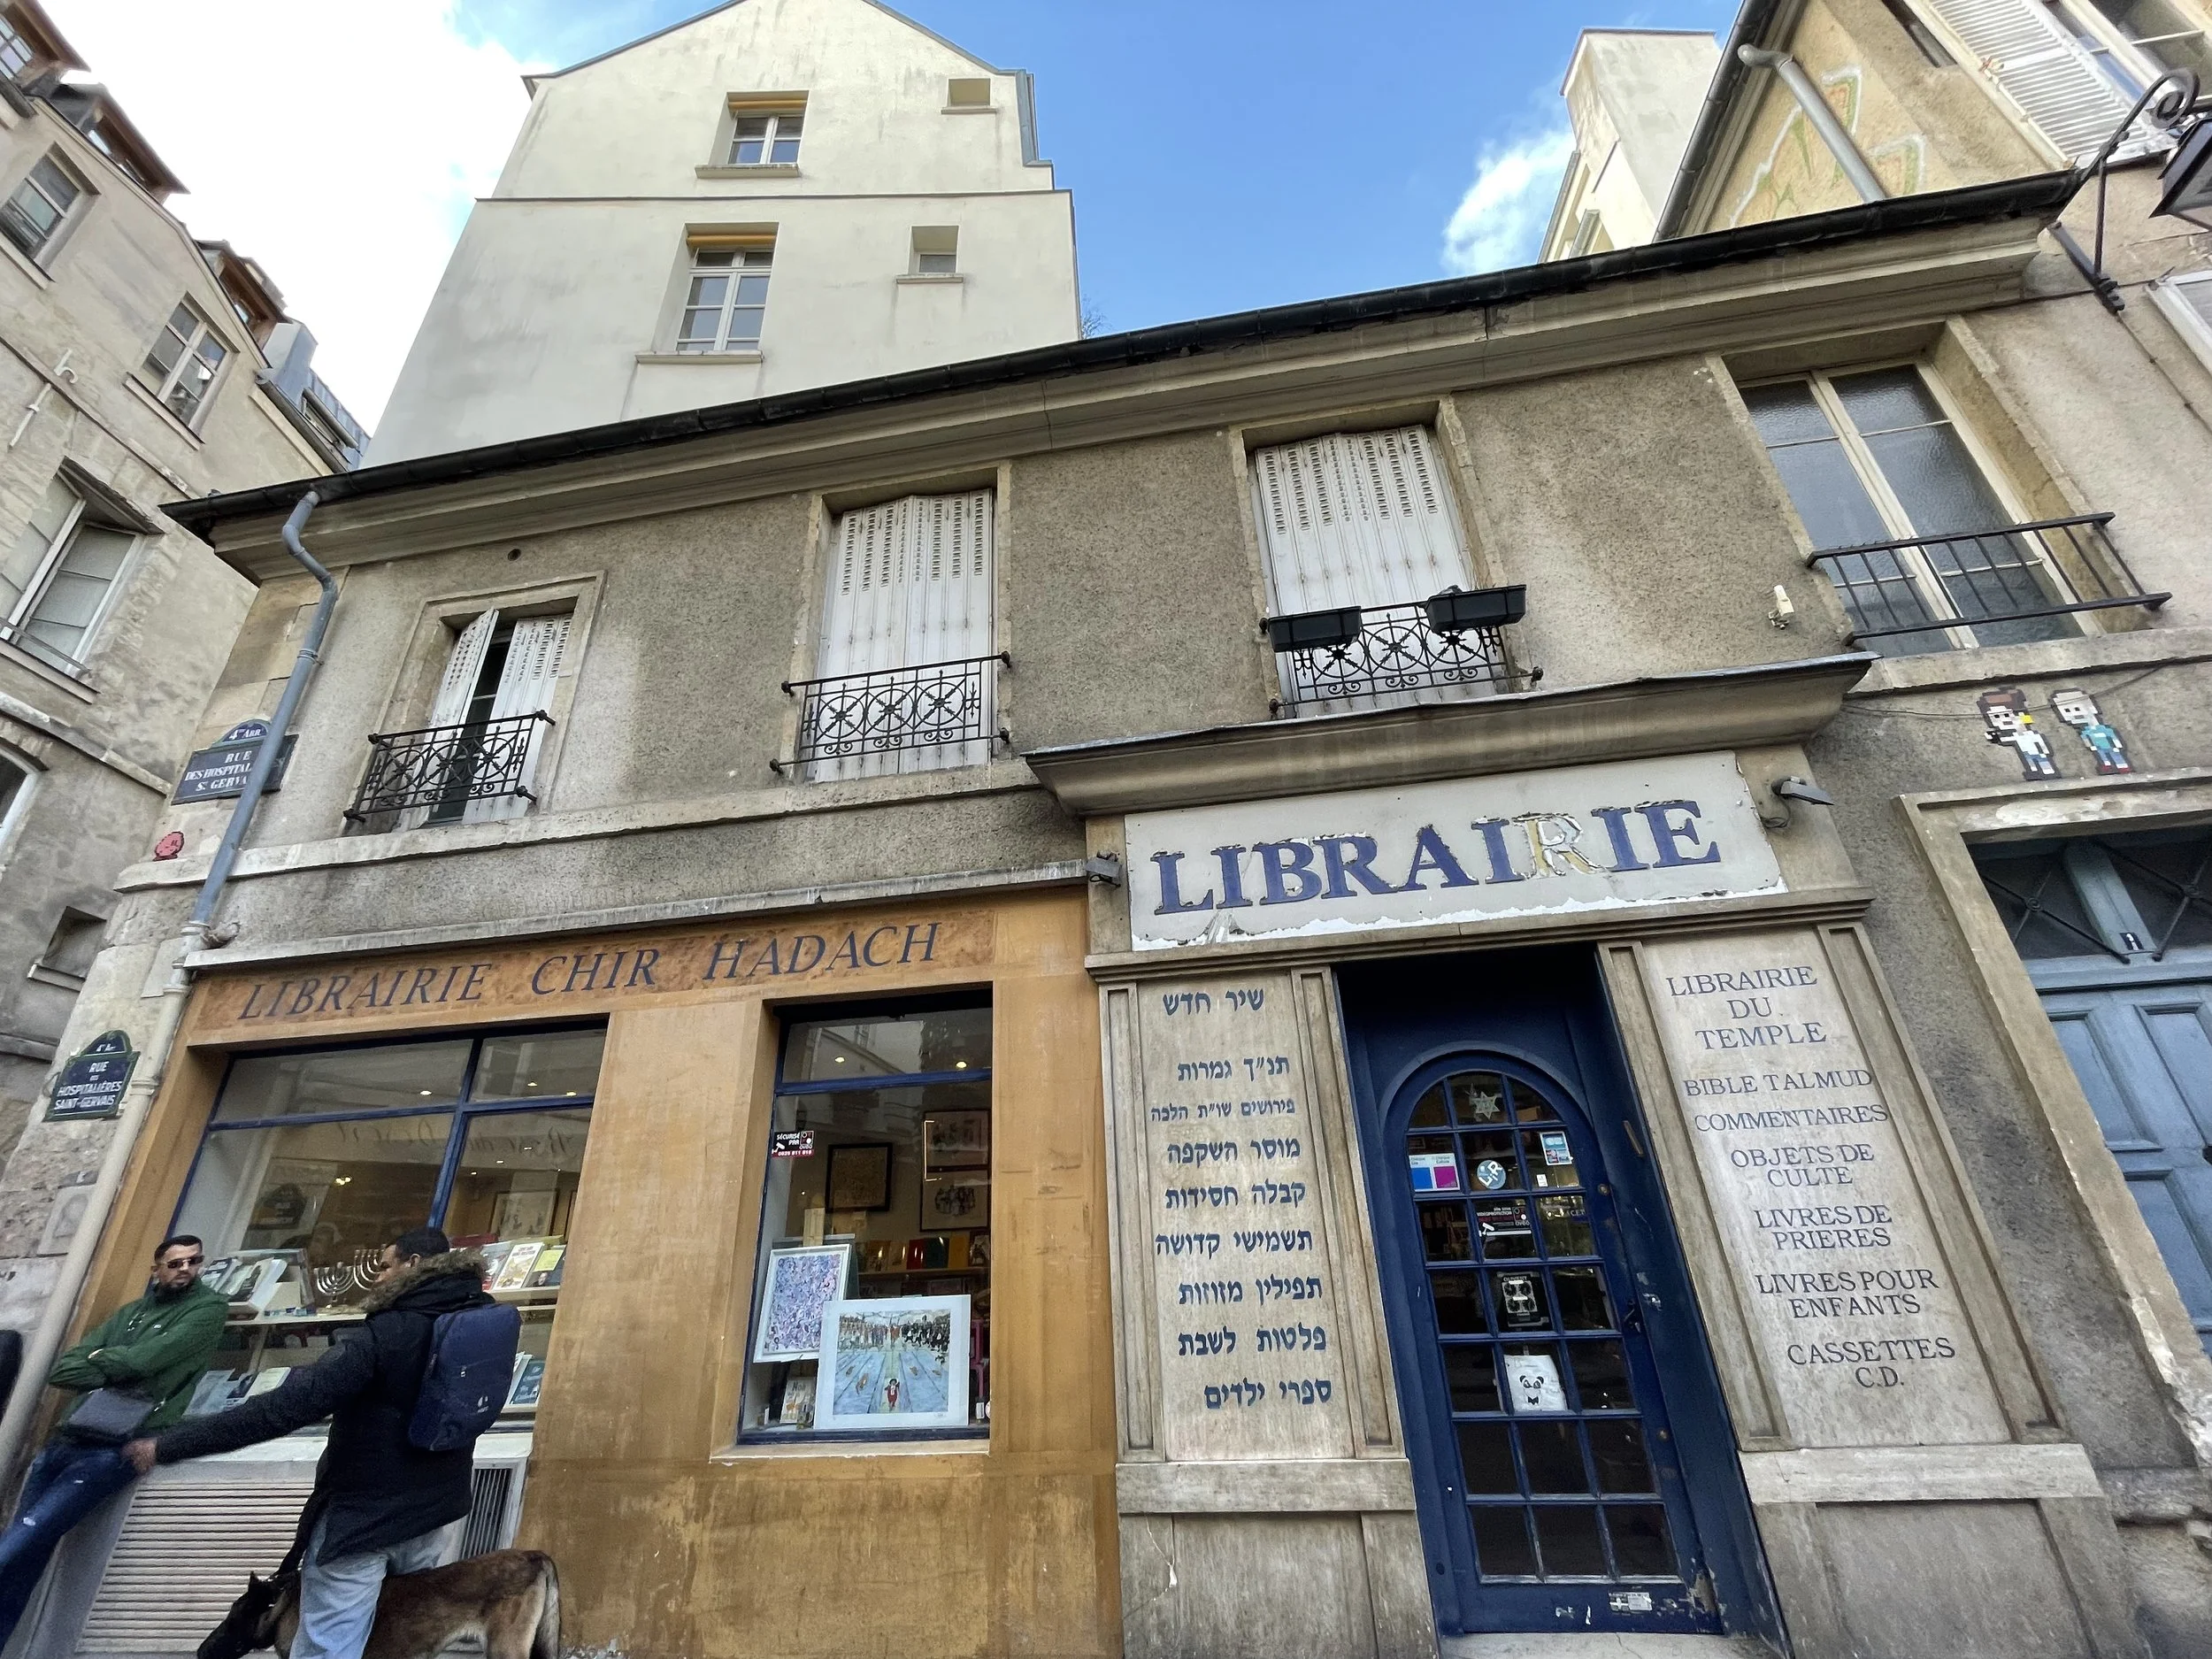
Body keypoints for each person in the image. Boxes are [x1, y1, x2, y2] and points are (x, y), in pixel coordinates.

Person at [126, 1226, 493, 1659]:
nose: (377, 1277)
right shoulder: (479, 1319)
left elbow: (286, 1407)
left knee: (328, 1646)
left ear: (413, 1265)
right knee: (395, 1640)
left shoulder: (387, 1334)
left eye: (386, 1265)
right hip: (433, 1514)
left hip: (363, 1520)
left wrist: (169, 1445)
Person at [0, 1234, 226, 1645]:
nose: (186, 1270)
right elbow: (63, 1371)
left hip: (119, 1444)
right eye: (175, 1263)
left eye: (194, 1261)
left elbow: (147, 1359)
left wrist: (104, 1361)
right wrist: (117, 1364)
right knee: (24, 1556)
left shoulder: (208, 1309)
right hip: (70, 1437)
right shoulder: (130, 1313)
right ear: (155, 1269)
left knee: (24, 1538)